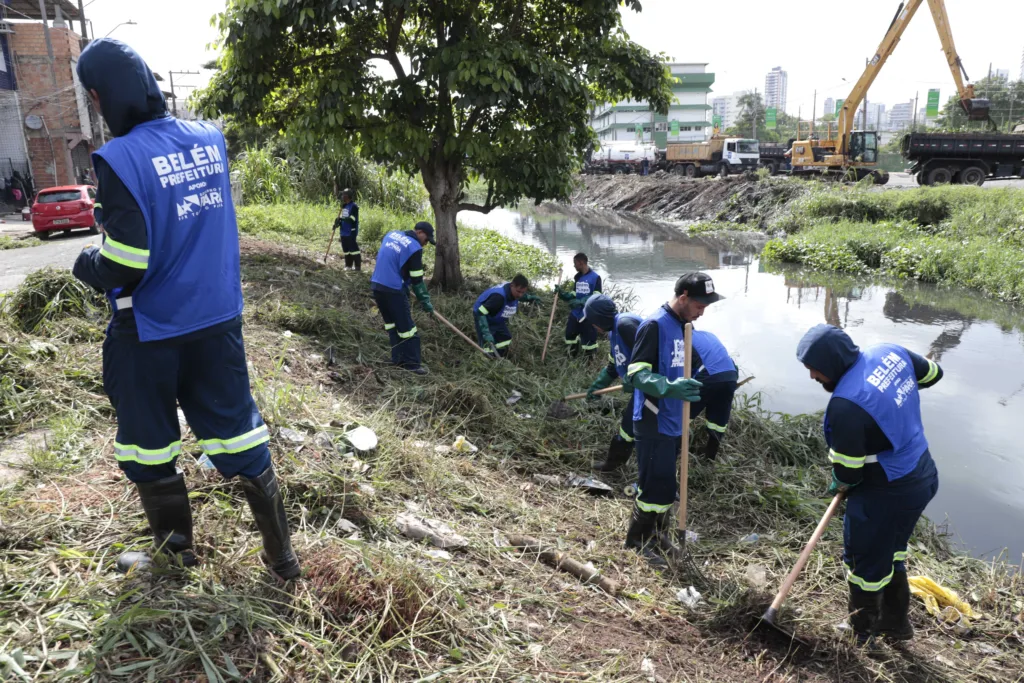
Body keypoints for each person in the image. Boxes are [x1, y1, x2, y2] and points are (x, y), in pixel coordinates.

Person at [71, 39, 299, 580]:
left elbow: (127, 259)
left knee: (148, 444)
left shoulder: (119, 158)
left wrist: (87, 265)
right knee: (240, 432)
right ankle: (281, 558)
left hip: (149, 329)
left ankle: (175, 555)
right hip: (218, 318)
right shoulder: (209, 139)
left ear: (102, 97)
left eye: (95, 99)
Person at [797, 324, 942, 643]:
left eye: (815, 370)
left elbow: (849, 472)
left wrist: (840, 483)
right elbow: (933, 374)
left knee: (863, 562)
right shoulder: (891, 352)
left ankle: (862, 634)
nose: (813, 377)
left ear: (832, 365)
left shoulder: (846, 405)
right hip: (923, 474)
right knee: (891, 552)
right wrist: (894, 396)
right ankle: (896, 626)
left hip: (886, 489)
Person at [623, 272, 720, 565]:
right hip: (653, 419)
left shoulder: (683, 326)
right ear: (683, 298)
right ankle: (637, 540)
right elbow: (636, 373)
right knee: (653, 483)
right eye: (699, 305)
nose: (702, 312)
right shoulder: (654, 325)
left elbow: (682, 364)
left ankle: (658, 534)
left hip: (674, 419)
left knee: (667, 483)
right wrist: (669, 387)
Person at [581, 294, 641, 472]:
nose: (592, 325)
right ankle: (615, 464)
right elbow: (614, 365)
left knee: (631, 424)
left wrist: (636, 378)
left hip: (656, 388)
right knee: (629, 424)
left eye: (593, 321)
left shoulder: (625, 325)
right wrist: (597, 386)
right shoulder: (614, 332)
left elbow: (651, 354)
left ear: (600, 319)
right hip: (643, 389)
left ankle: (613, 465)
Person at [370, 221, 435, 375]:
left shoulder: (392, 234)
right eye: (426, 240)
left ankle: (397, 358)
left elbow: (392, 259)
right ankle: (412, 364)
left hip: (377, 285)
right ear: (419, 233)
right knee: (408, 329)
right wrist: (425, 301)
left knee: (392, 324)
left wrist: (403, 284)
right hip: (392, 289)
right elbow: (417, 279)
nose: (425, 244)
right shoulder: (414, 248)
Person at [688, 330, 739, 461]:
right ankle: (710, 457)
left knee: (683, 416)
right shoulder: (708, 335)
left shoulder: (683, 338)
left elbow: (683, 370)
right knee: (718, 421)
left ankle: (674, 451)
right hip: (731, 374)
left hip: (709, 375)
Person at [472, 274, 541, 357]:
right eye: (518, 291)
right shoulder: (498, 298)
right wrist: (486, 333)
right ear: (512, 285)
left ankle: (500, 355)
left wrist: (529, 298)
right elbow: (480, 312)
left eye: (523, 292)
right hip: (484, 317)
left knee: (505, 338)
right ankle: (487, 358)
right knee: (487, 343)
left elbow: (520, 296)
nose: (520, 295)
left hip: (497, 318)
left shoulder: (513, 291)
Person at [558, 253, 602, 357]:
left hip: (588, 315)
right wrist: (562, 294)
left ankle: (589, 363)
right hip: (575, 313)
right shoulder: (578, 277)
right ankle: (571, 358)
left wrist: (582, 301)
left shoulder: (595, 278)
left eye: (575, 264)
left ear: (581, 263)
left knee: (589, 340)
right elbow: (574, 294)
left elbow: (597, 296)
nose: (574, 266)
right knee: (570, 335)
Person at [335, 188, 361, 271]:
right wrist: (337, 223)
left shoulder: (354, 206)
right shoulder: (344, 206)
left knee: (354, 249)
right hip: (343, 231)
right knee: (346, 249)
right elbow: (343, 217)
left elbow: (352, 219)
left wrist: (342, 219)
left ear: (348, 196)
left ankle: (357, 266)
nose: (342, 196)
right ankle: (348, 265)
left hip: (351, 231)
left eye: (344, 195)